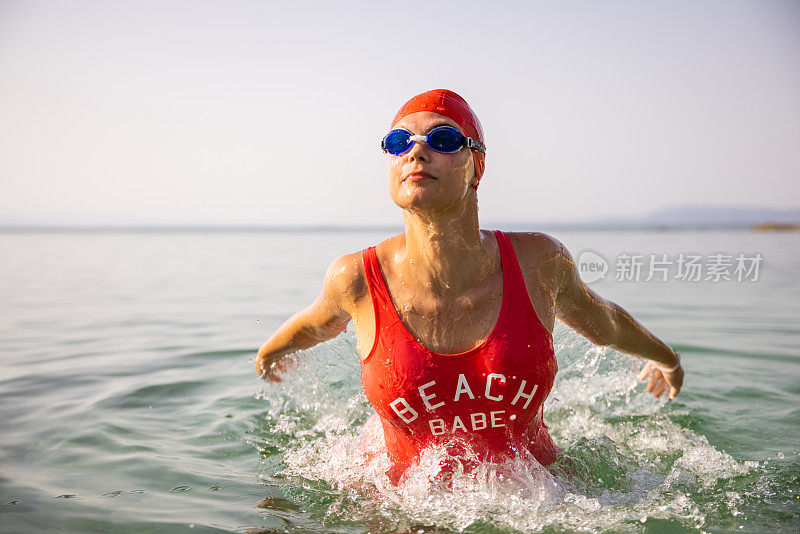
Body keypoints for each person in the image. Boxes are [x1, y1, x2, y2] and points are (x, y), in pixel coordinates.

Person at [255, 89, 684, 483]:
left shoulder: (539, 263)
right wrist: (269, 354)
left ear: (476, 166)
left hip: (537, 492)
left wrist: (668, 359)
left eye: (442, 140)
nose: (416, 151)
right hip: (399, 505)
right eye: (398, 143)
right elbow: (315, 325)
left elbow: (604, 322)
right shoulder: (357, 278)